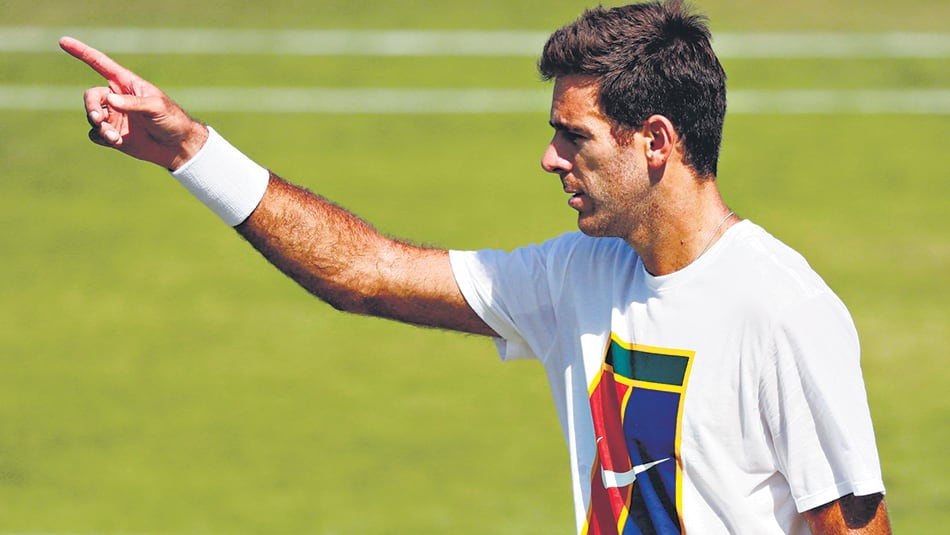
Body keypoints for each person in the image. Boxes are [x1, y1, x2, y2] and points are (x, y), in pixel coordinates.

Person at [60, 1, 891, 533]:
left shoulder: (782, 308)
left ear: (656, 142)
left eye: (574, 136)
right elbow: (368, 272)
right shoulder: (578, 275)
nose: (550, 158)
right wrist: (193, 153)